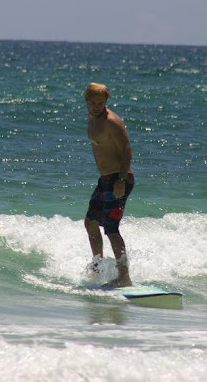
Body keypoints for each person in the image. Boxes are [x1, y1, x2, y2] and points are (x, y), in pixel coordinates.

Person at [83, 82, 134, 287]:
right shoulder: (92, 118)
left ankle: (124, 277)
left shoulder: (112, 121)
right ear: (86, 101)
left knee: (112, 229)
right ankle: (98, 267)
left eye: (101, 103)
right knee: (91, 223)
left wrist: (121, 180)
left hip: (118, 179)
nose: (97, 106)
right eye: (93, 102)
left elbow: (126, 149)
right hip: (105, 180)